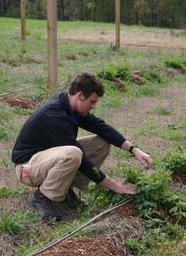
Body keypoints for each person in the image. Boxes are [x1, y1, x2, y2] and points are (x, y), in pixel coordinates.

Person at [11, 72, 152, 221]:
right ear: (80, 96)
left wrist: (134, 150)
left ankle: (65, 190)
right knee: (73, 153)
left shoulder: (69, 106)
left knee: (101, 142)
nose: (94, 106)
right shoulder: (54, 114)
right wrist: (116, 186)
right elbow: (82, 161)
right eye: (92, 101)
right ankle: (43, 198)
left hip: (46, 160)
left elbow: (101, 128)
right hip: (28, 168)